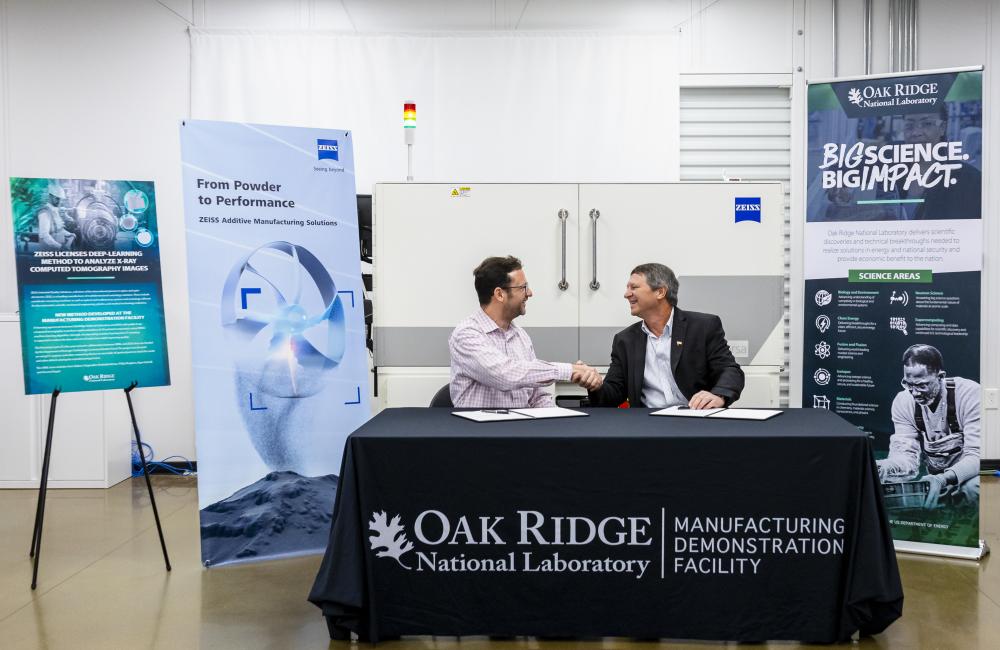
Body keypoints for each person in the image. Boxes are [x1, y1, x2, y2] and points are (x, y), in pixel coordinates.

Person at [449, 255, 602, 408]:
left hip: (521, 429)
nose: (529, 293)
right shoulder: (466, 334)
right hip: (480, 431)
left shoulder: (521, 336)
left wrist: (561, 422)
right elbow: (505, 375)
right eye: (523, 288)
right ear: (499, 294)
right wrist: (569, 371)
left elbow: (537, 397)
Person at [587, 263, 744, 409]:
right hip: (647, 424)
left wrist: (718, 395)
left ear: (660, 292)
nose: (626, 294)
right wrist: (595, 385)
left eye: (634, 287)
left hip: (696, 418)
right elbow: (613, 395)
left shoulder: (704, 327)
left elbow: (730, 370)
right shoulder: (625, 340)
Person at [878, 344, 980, 508]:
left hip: (970, 474)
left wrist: (943, 479)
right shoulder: (903, 402)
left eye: (922, 385)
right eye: (908, 384)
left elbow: (977, 456)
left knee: (972, 489)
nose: (915, 393)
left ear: (941, 377)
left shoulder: (970, 395)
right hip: (933, 480)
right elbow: (906, 457)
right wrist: (885, 467)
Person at [37, 182, 75, 250]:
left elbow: (58, 230)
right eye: (57, 198)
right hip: (49, 252)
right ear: (50, 197)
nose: (59, 201)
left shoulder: (55, 211)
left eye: (60, 199)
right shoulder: (44, 213)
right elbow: (44, 235)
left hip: (57, 250)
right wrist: (60, 247)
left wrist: (68, 234)